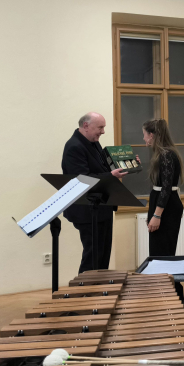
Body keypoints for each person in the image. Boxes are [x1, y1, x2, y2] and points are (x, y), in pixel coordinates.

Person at [61, 112, 128, 273]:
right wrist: (110, 176)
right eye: (100, 127)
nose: (103, 131)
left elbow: (103, 167)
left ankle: (99, 286)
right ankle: (85, 288)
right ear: (86, 126)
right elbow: (81, 180)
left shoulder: (93, 142)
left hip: (102, 208)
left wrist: (127, 163)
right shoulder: (74, 147)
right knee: (92, 257)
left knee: (103, 255)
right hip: (87, 211)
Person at [142, 119, 184, 305]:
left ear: (152, 135)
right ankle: (167, 294)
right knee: (159, 253)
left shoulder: (166, 155)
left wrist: (157, 215)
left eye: (144, 134)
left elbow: (166, 188)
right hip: (161, 204)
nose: (143, 138)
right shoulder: (163, 154)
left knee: (163, 254)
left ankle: (173, 296)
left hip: (166, 208)